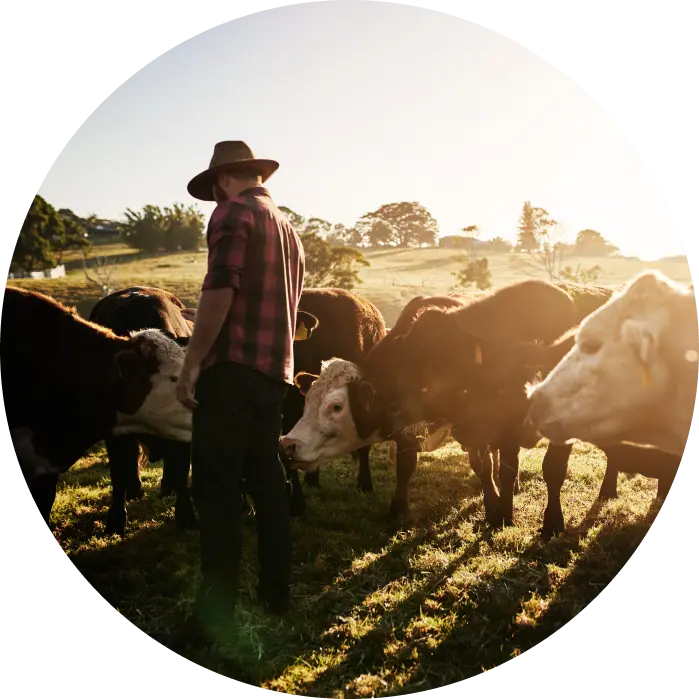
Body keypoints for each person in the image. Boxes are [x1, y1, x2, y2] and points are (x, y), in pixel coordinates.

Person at [176, 141, 305, 635]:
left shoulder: (232, 213)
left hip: (229, 368)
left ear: (225, 179)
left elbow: (220, 286)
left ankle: (216, 608)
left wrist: (192, 363)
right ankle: (275, 593)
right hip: (275, 372)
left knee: (216, 486)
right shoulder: (290, 229)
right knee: (266, 478)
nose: (213, 199)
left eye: (213, 190)